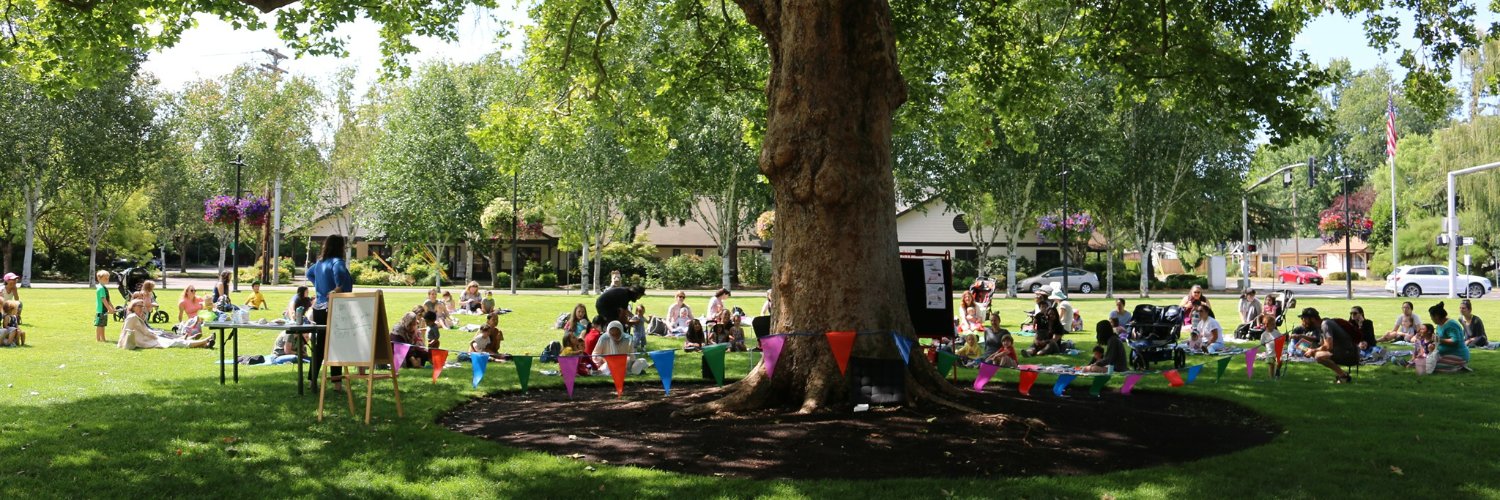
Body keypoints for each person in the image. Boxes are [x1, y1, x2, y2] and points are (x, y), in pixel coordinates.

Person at [306, 234, 354, 392]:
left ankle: (312, 380)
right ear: (340, 247)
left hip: (318, 307)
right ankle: (337, 384)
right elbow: (340, 274)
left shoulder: (320, 263)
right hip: (333, 307)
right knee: (336, 345)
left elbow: (309, 274)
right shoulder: (337, 262)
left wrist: (319, 287)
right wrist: (337, 288)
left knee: (320, 345)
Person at [1296, 308, 1360, 383]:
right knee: (1302, 345)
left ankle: (1343, 376)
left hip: (1349, 354)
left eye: (1304, 319)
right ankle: (1342, 374)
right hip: (1341, 351)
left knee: (1319, 356)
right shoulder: (1322, 325)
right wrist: (1304, 344)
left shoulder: (1325, 324)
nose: (1303, 321)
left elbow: (1328, 346)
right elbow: (1321, 344)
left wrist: (1313, 350)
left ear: (1312, 319)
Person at [117, 299, 212, 349]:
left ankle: (204, 344)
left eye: (143, 306)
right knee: (175, 342)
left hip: (148, 339)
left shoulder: (136, 317)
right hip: (145, 341)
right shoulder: (132, 317)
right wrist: (122, 343)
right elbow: (125, 331)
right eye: (140, 306)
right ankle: (204, 341)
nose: (142, 308)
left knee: (172, 341)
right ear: (133, 307)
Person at [1429, 302, 1471, 373]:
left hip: (1458, 355)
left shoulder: (1451, 325)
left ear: (1436, 316)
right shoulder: (1439, 325)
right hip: (1445, 354)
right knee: (1427, 364)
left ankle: (1459, 366)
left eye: (1431, 316)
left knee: (1431, 367)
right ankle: (1454, 366)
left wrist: (1439, 340)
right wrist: (1434, 344)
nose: (1431, 318)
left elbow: (1455, 341)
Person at [94, 270, 115, 342]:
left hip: (104, 310)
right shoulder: (100, 288)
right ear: (99, 279)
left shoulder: (104, 288)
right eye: (105, 278)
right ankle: (98, 339)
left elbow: (108, 299)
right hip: (100, 310)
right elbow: (103, 300)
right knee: (99, 325)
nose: (107, 280)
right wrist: (109, 309)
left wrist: (112, 307)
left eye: (108, 278)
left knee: (103, 325)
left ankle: (103, 339)